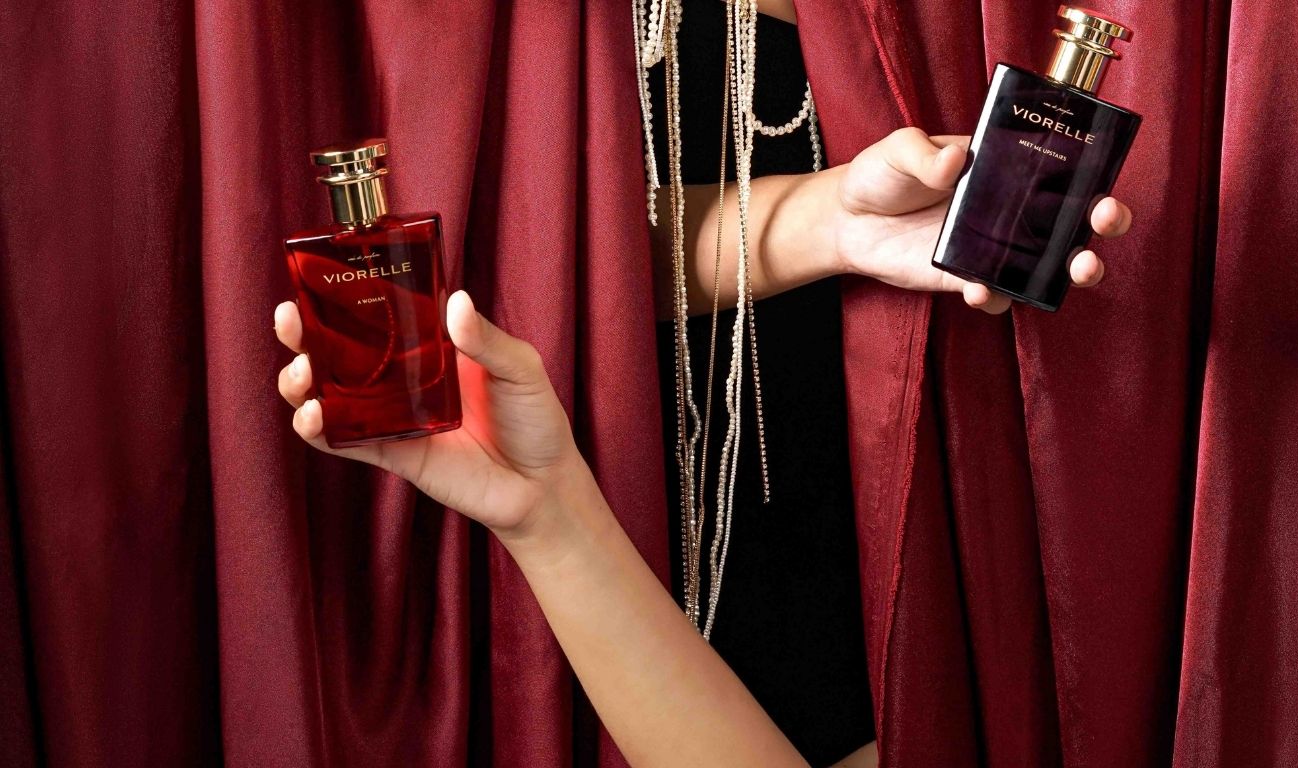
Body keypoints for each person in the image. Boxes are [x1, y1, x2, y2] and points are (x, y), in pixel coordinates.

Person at [272, 3, 1133, 764]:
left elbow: (546, 243)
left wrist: (834, 224)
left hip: (813, 546)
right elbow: (539, 235)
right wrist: (832, 220)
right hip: (640, 514)